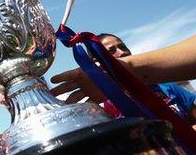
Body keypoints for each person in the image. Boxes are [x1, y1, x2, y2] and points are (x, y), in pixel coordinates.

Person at [51, 33, 196, 125]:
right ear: (96, 61)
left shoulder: (166, 87)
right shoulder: (103, 111)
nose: (122, 52)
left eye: (122, 46)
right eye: (111, 51)